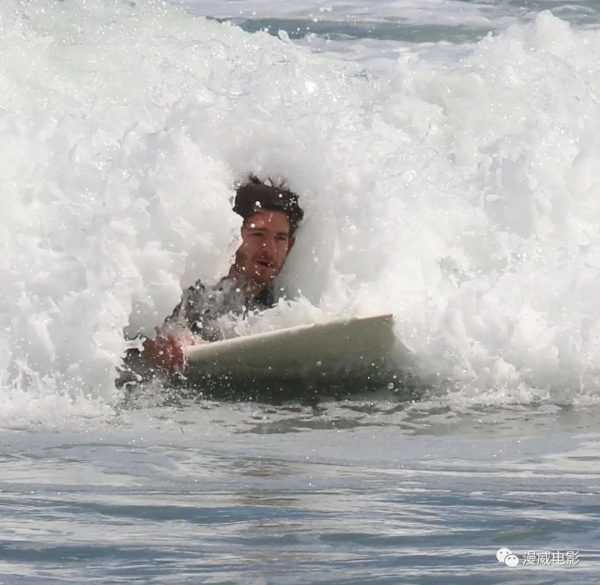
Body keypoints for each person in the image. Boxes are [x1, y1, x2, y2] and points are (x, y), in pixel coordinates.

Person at [117, 176, 304, 387]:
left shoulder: (281, 302)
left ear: (290, 245)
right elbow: (125, 330)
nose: (269, 250)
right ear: (234, 235)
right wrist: (156, 344)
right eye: (258, 234)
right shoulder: (195, 288)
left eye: (280, 238)